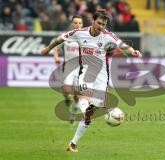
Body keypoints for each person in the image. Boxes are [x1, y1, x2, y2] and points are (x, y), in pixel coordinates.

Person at [41, 9, 142, 152]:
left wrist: (133, 52)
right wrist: (47, 48)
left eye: (104, 24)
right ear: (93, 21)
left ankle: (73, 143)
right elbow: (61, 38)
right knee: (85, 100)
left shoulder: (107, 36)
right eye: (99, 23)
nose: (101, 27)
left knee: (90, 114)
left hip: (102, 76)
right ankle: (85, 111)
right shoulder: (80, 33)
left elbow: (122, 45)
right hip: (85, 73)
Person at [53, 15, 83, 124]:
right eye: (75, 23)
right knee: (66, 91)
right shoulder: (65, 36)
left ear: (82, 25)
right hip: (68, 68)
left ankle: (74, 112)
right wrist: (56, 57)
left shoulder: (87, 38)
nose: (77, 25)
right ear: (72, 24)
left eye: (80, 23)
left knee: (77, 95)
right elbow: (56, 47)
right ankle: (67, 99)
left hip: (81, 69)